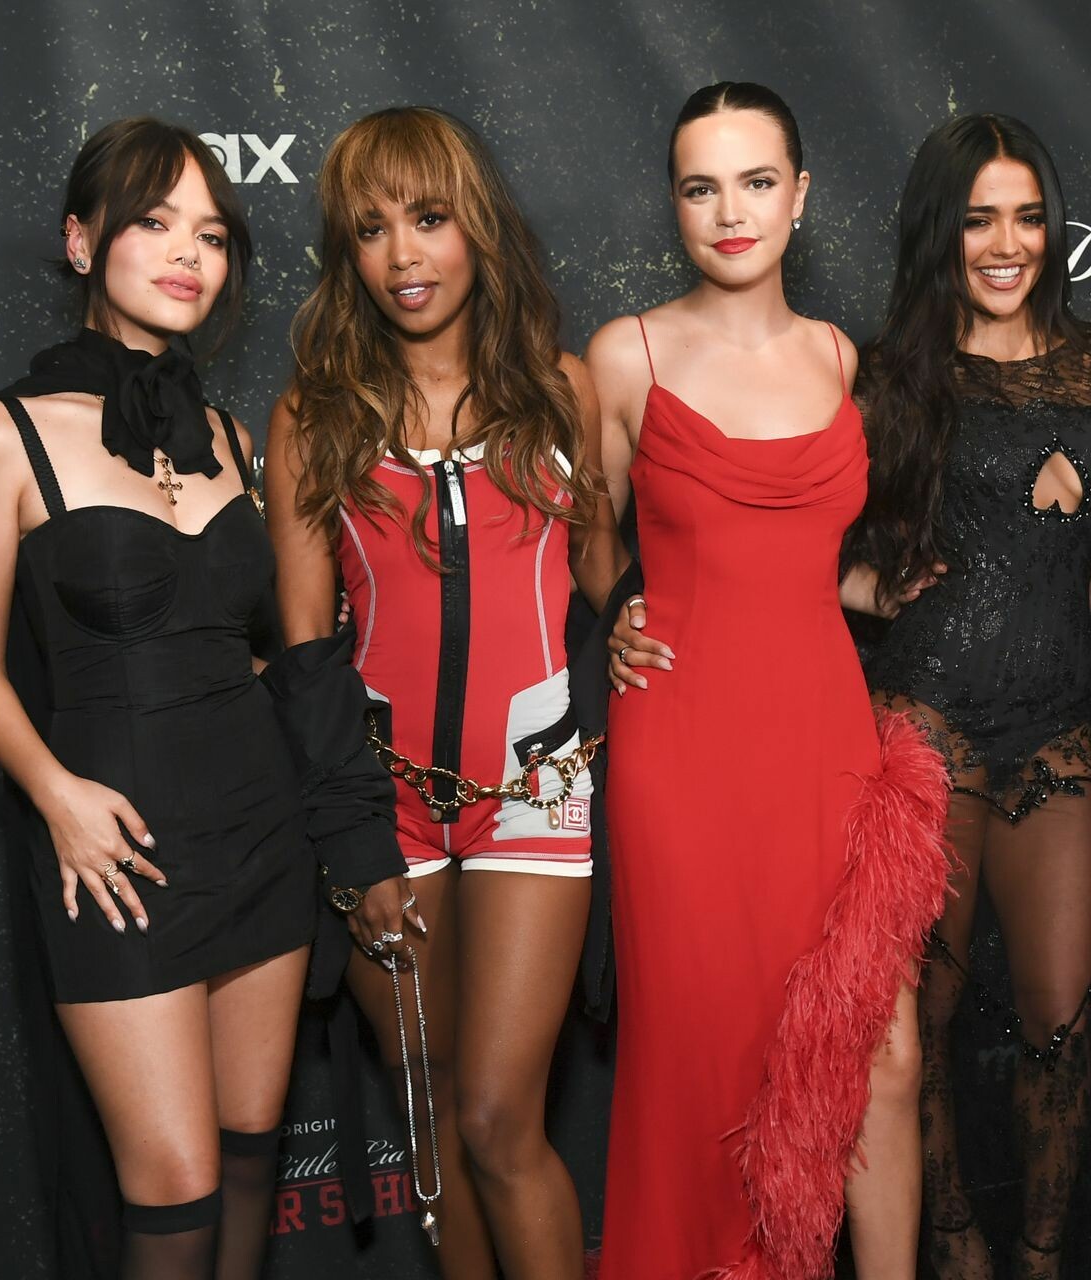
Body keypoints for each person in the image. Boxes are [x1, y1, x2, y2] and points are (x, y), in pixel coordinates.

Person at [0, 117, 398, 1279]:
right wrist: (57, 795)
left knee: (249, 1156)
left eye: (211, 232)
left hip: (260, 832)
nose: (189, 251)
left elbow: (261, 644)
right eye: (154, 221)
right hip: (121, 851)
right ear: (80, 239)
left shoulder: (234, 440)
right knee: (177, 1187)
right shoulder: (7, 435)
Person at [593, 82, 953, 1280]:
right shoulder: (627, 356)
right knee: (712, 1061)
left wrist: (881, 591)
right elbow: (585, 542)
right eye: (701, 187)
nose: (730, 211)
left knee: (880, 1053)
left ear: (800, 195)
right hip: (682, 752)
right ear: (674, 204)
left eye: (756, 182)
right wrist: (614, 615)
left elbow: (807, 558)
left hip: (824, 742)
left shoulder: (842, 357)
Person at [264, 106, 628, 1279]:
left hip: (536, 788)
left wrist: (638, 621)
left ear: (476, 226)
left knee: (496, 1117)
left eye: (427, 218)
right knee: (431, 1118)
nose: (403, 254)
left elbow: (603, 576)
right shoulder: (314, 416)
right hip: (388, 805)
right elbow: (306, 652)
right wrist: (355, 843)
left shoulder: (562, 392)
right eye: (371, 229)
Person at [843, 113, 1091, 1280]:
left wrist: (1076, 576)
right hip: (927, 726)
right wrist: (865, 588)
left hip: (1054, 728)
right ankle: (953, 1234)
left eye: (1027, 216)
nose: (1008, 243)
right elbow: (793, 539)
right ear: (941, 232)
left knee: (1059, 1018)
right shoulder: (890, 375)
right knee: (917, 1028)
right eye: (979, 220)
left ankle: (1042, 1253)